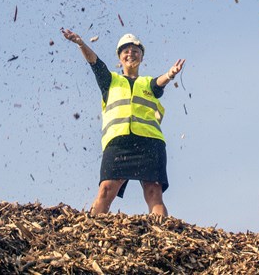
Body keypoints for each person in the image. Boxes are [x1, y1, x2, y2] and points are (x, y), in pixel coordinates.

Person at [62, 29, 185, 216]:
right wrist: (81, 43)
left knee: (154, 192)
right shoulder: (110, 81)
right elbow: (95, 62)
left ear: (142, 57)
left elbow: (159, 83)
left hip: (150, 143)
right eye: (126, 51)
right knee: (105, 190)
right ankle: (93, 234)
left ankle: (161, 236)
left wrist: (170, 74)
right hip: (118, 143)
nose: (131, 53)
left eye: (135, 51)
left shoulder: (148, 83)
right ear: (119, 58)